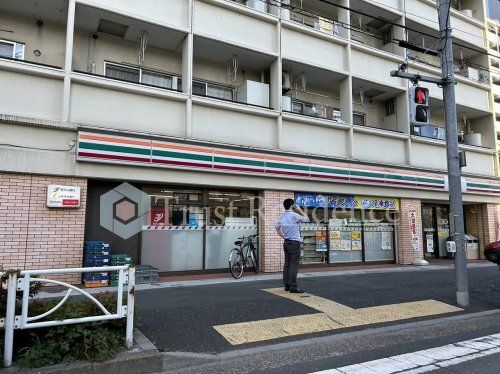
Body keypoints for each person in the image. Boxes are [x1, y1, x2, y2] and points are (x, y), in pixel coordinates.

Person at [275, 198, 310, 293]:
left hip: (286, 242)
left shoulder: (282, 216)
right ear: (292, 206)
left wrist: (284, 236)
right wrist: (300, 210)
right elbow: (307, 219)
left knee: (287, 264)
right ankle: (293, 286)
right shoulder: (295, 215)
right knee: (294, 265)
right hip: (294, 243)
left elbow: (277, 227)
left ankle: (286, 285)